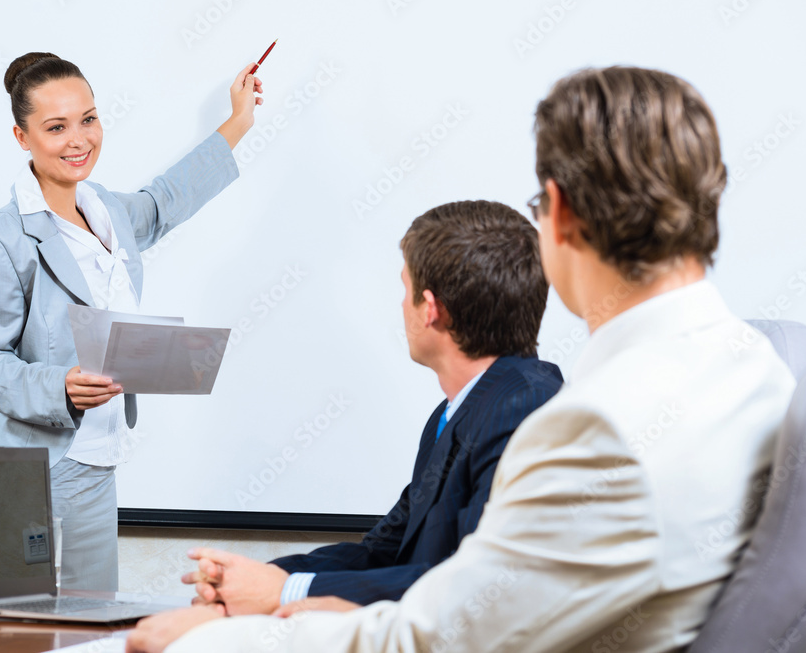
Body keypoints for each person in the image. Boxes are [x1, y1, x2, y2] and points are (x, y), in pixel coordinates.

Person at [124, 66, 797, 652]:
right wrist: (291, 591)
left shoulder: (595, 426)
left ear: (556, 212)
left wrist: (228, 636)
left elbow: (436, 638)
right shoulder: (759, 366)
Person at [0, 52, 262, 591]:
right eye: (56, 127)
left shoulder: (107, 210)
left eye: (89, 119)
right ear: (21, 137)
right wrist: (61, 387)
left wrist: (238, 119)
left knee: (90, 628)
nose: (79, 140)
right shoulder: (1, 239)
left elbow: (167, 199)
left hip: (96, 463)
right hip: (26, 470)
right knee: (7, 628)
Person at [180, 200, 564, 615]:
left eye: (405, 288)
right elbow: (386, 550)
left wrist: (286, 591)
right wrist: (257, 579)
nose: (401, 305)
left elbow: (469, 582)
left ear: (430, 309)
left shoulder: (525, 411)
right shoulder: (458, 411)